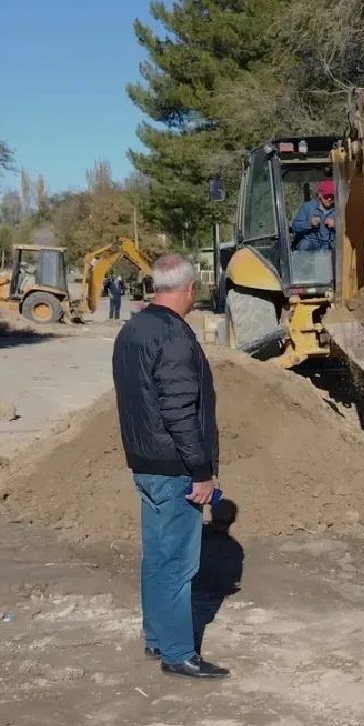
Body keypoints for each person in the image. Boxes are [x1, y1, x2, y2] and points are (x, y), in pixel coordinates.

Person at [111, 253, 229, 680]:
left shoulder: (131, 330)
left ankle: (157, 637)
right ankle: (178, 653)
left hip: (143, 464)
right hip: (174, 467)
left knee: (157, 557)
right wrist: (201, 471)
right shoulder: (175, 337)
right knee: (178, 563)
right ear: (189, 288)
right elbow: (179, 410)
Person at [290, 180, 336, 251]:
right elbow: (295, 226)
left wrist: (336, 225)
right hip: (312, 244)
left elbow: (349, 229)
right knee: (304, 245)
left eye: (332, 196)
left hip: (331, 244)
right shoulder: (308, 207)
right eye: (326, 196)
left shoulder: (338, 209)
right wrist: (309, 224)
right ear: (320, 194)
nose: (329, 199)